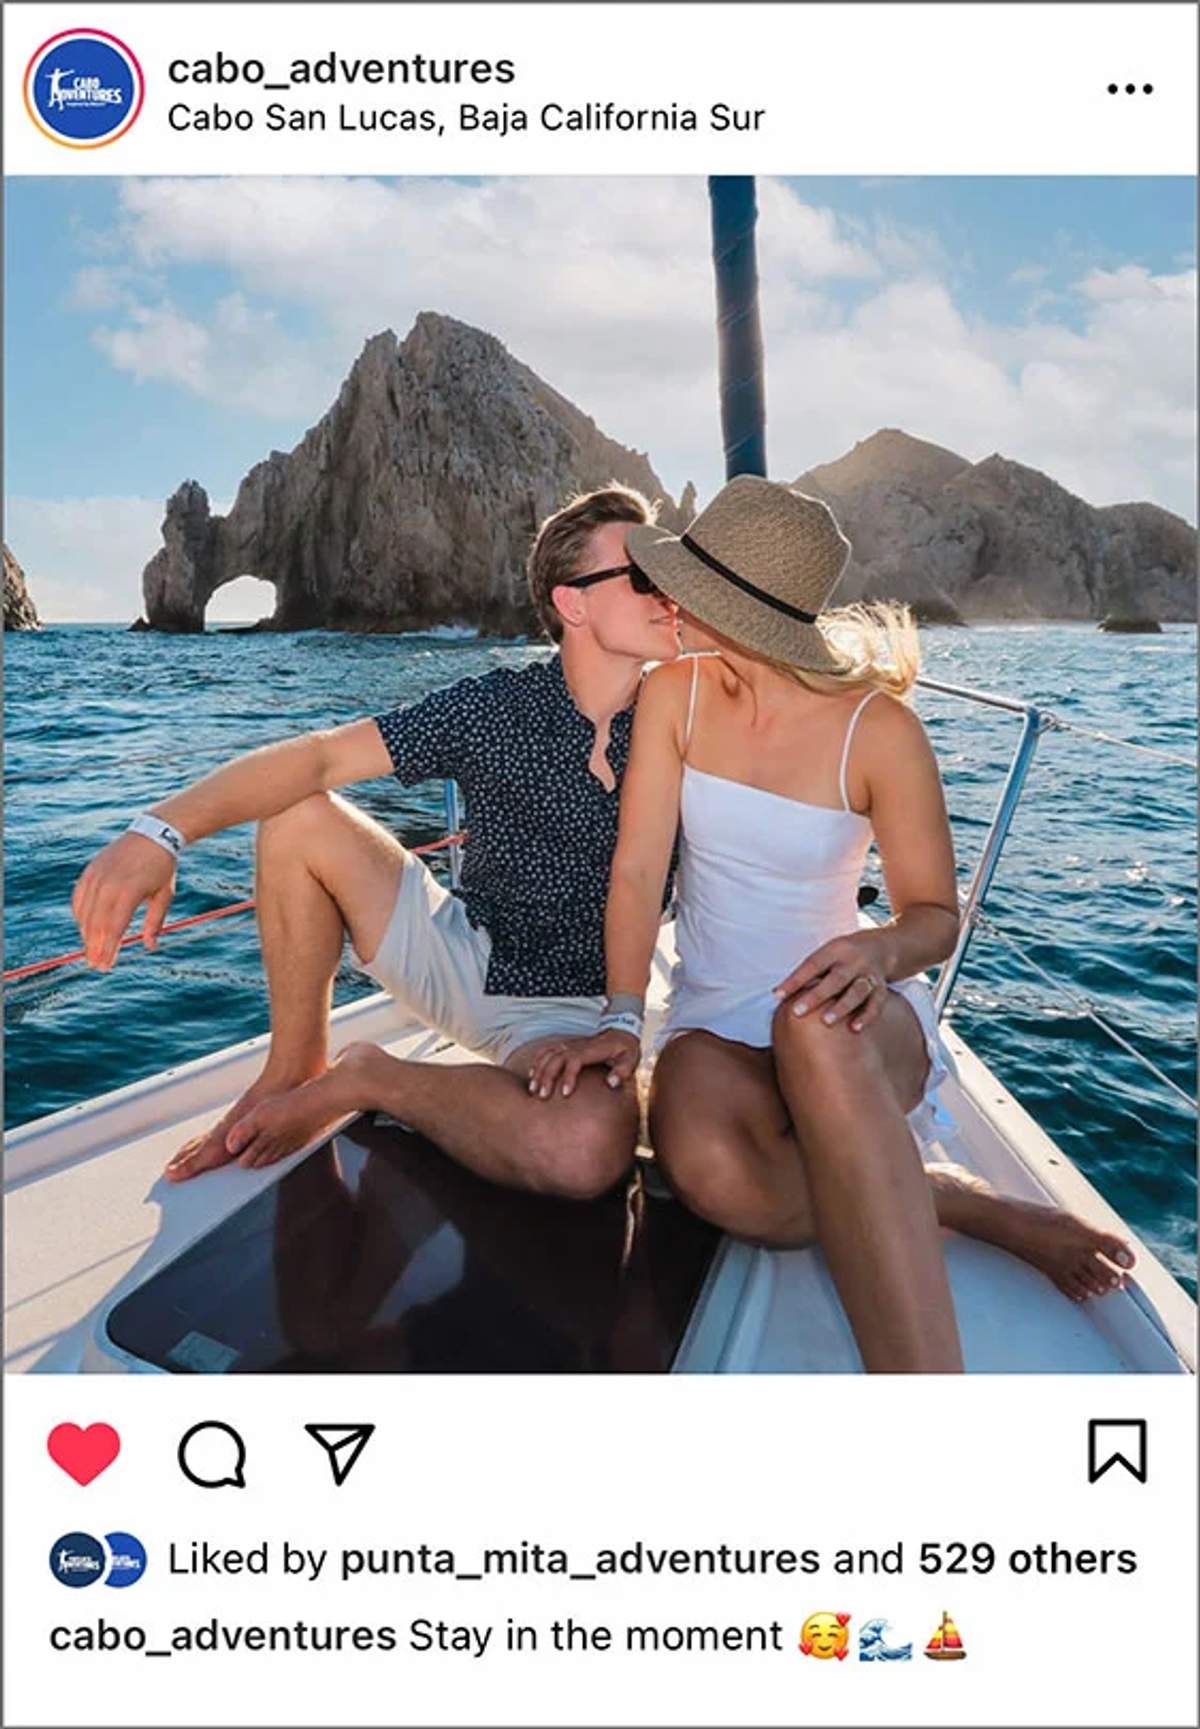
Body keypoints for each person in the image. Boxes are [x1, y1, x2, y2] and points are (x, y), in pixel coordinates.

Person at [528, 476, 1136, 1372]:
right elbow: (637, 870)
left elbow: (934, 916)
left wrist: (876, 948)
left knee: (808, 1022)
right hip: (716, 1019)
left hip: (852, 1018)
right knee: (707, 1172)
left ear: (733, 609)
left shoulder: (879, 731)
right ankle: (954, 1201)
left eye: (681, 584)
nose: (664, 600)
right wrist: (623, 1018)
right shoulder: (675, 696)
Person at [70, 484, 679, 1196]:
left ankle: (373, 1078)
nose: (667, 592)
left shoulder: (695, 717)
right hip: (471, 960)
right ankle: (296, 1065)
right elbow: (322, 757)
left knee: (586, 1148)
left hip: (607, 999)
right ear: (572, 603)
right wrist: (159, 830)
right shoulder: (493, 708)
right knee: (299, 815)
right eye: (642, 576)